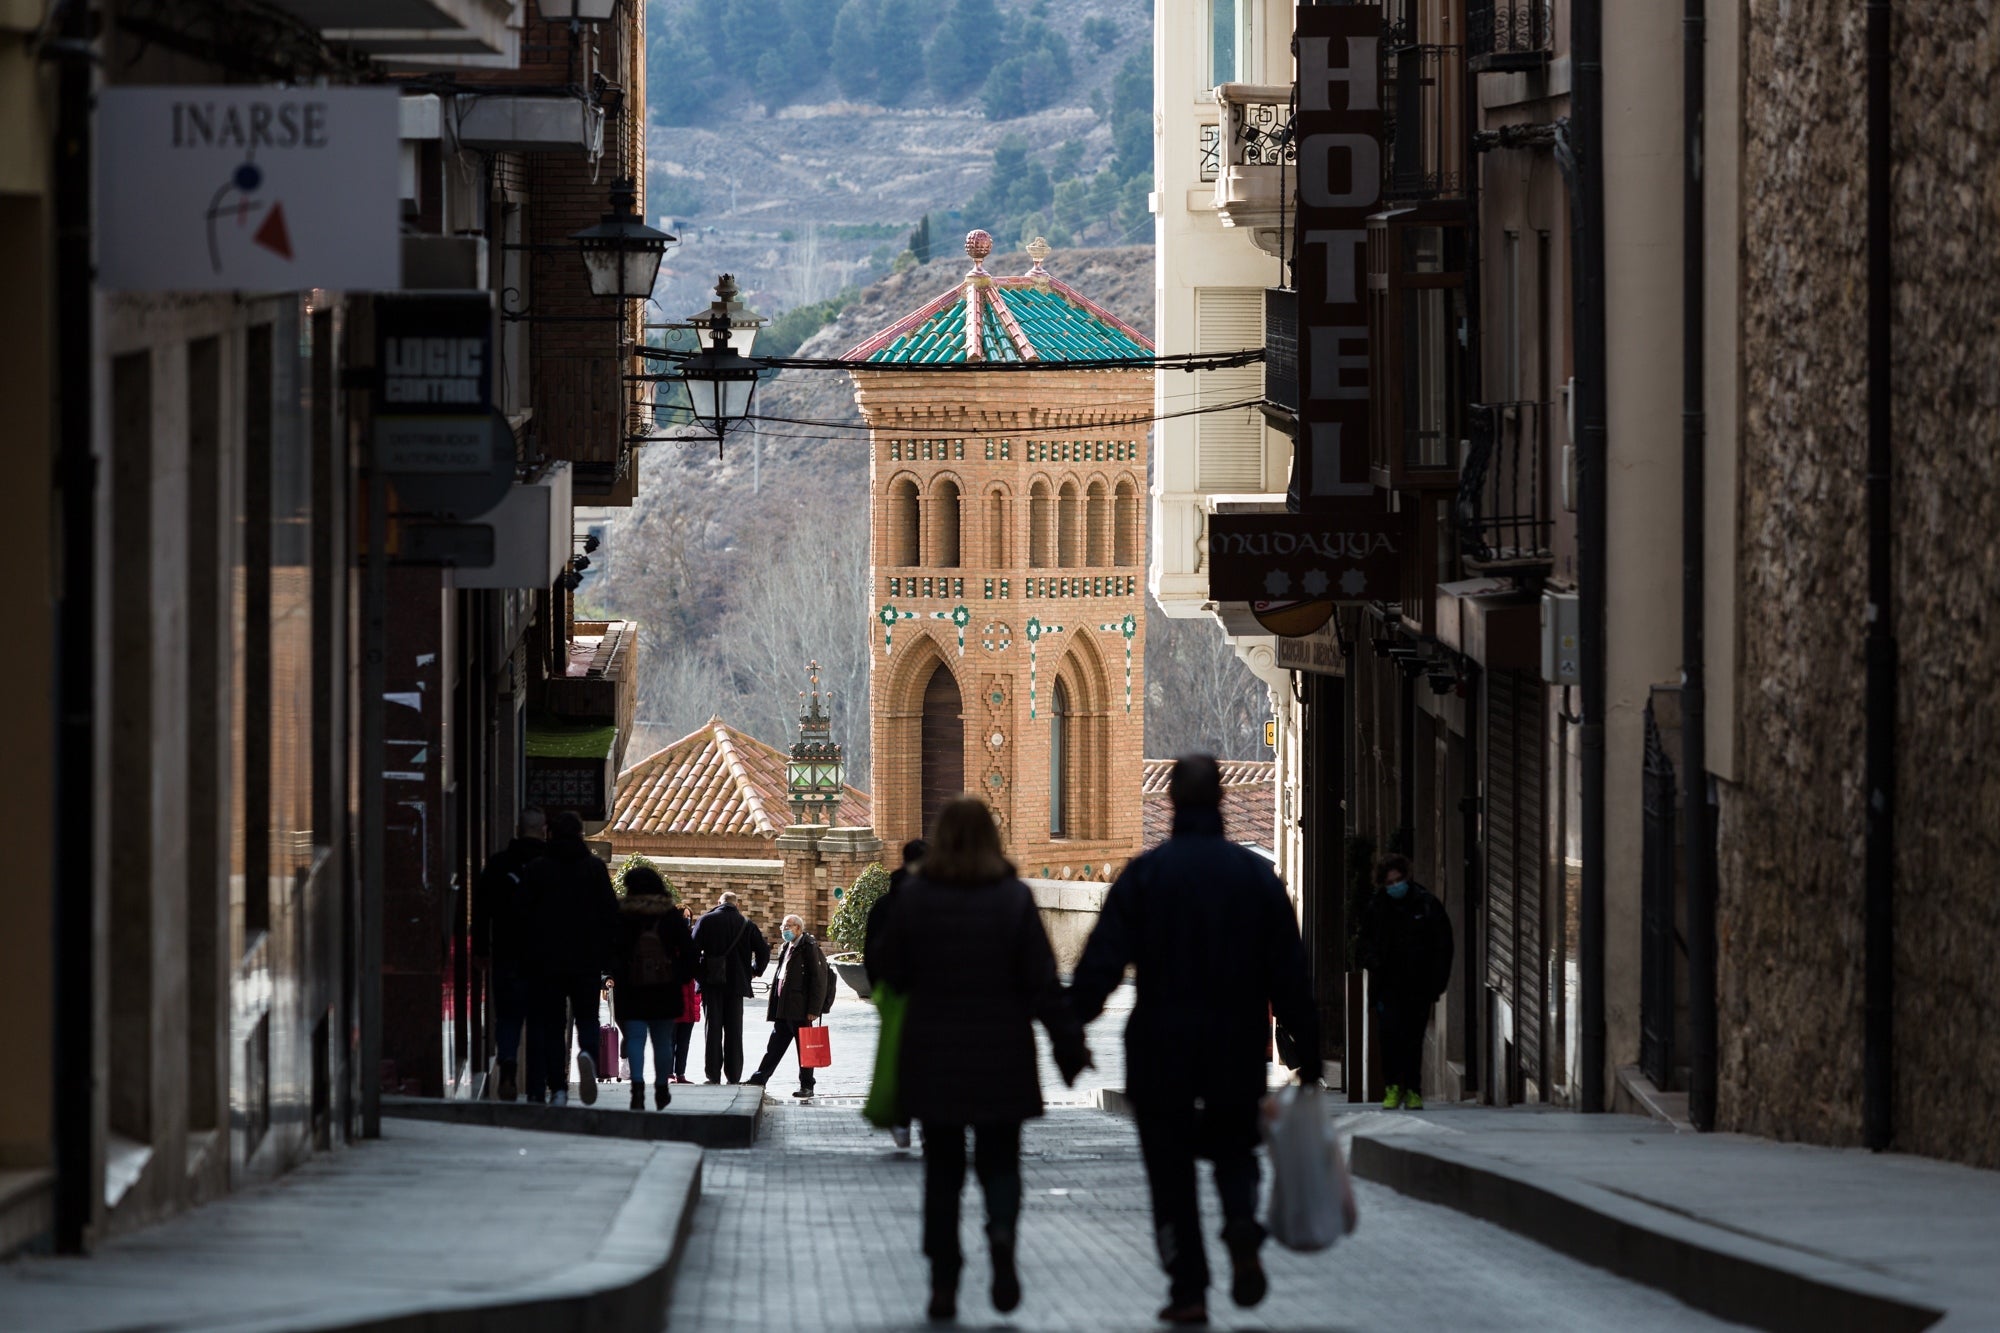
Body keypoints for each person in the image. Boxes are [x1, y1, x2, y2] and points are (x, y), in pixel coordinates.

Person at [1069, 755, 1321, 1326]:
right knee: (1235, 1148)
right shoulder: (1256, 879)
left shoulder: (1147, 876)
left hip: (1161, 1045)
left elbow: (1102, 962)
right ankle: (1240, 1228)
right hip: (1236, 1043)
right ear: (1222, 802)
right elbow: (1290, 969)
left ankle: (1189, 1289)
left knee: (1170, 1168)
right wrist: (1309, 1045)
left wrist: (1072, 1026)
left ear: (1172, 804)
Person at [876, 797, 1088, 1323]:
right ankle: (1001, 1236)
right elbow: (1042, 984)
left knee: (942, 1170)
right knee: (1000, 1160)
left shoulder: (917, 899)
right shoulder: (1012, 899)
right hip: (1003, 1055)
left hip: (933, 1056)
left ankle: (944, 1280)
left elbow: (886, 970)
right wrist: (1069, 1046)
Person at [518, 811, 620, 1106]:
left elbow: (522, 914)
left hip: (545, 960)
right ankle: (587, 1053)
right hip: (586, 959)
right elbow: (610, 915)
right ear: (580, 835)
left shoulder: (538, 869)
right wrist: (608, 957)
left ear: (550, 834)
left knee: (552, 1023)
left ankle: (558, 1087)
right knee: (587, 1016)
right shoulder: (594, 868)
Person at [1357, 852, 1454, 1112]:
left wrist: (1437, 983)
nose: (1395, 886)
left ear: (1406, 878)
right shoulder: (1376, 908)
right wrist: (1373, 962)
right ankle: (1393, 1087)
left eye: (1398, 880)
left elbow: (1443, 945)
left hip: (1418, 986)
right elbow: (1363, 943)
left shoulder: (1425, 905)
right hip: (1387, 987)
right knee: (1389, 1038)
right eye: (1389, 883)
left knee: (1412, 1040)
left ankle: (1413, 1090)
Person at [471, 808, 545, 1102]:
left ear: (517, 828)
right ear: (543, 830)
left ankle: (508, 1070)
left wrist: (480, 950)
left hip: (506, 953)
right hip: (544, 958)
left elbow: (481, 910)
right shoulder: (550, 865)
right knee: (540, 1021)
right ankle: (537, 1086)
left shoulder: (499, 864)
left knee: (508, 1019)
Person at [610, 867, 692, 1111]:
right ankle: (661, 1087)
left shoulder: (622, 914)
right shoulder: (670, 915)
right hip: (664, 988)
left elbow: (611, 951)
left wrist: (619, 976)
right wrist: (679, 977)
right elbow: (689, 952)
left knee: (635, 1038)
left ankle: (637, 1088)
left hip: (631, 988)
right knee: (663, 1041)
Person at [864, 838, 927, 1149]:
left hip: (896, 994)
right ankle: (932, 1123)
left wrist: (880, 990)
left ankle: (902, 1120)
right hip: (932, 996)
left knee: (901, 1059)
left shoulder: (885, 904)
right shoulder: (937, 899)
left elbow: (871, 952)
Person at [745, 913, 832, 1097]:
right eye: (783, 927)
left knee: (805, 1049)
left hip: (800, 1009)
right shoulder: (787, 946)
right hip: (784, 1008)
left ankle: (807, 1086)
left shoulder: (809, 946)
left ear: (798, 929)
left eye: (789, 926)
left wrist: (813, 1009)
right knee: (774, 1046)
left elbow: (819, 979)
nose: (785, 930)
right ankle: (759, 1079)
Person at [692, 891, 769, 1084]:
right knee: (735, 1031)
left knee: (713, 1031)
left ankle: (713, 1075)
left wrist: (701, 974)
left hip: (712, 984)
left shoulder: (706, 921)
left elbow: (690, 952)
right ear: (737, 904)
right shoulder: (746, 924)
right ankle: (734, 1075)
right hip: (737, 985)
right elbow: (764, 951)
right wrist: (754, 971)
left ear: (719, 903)